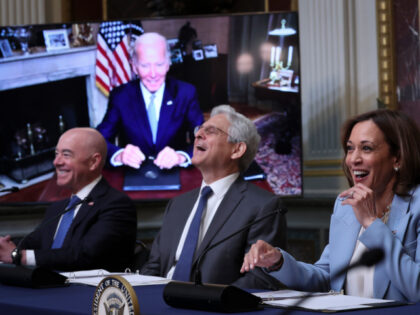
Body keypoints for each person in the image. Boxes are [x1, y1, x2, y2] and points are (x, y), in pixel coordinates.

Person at [241, 109, 420, 302]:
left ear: (398, 158)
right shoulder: (345, 205)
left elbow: (417, 289)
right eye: (350, 148)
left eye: (366, 148)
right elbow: (326, 279)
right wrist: (278, 262)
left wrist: (370, 222)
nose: (353, 159)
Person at [141, 105, 287, 289]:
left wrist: (205, 301)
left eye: (210, 131)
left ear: (237, 150)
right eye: (198, 130)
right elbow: (154, 266)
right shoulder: (178, 204)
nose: (198, 135)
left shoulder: (263, 206)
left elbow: (259, 279)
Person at [0, 128, 137, 271]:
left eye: (66, 155)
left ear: (93, 162)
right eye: (56, 154)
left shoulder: (117, 204)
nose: (56, 162)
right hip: (45, 290)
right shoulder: (57, 208)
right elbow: (29, 243)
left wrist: (18, 256)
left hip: (92, 292)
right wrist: (5, 246)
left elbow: (86, 255)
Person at [97, 32, 204, 170]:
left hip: (176, 174)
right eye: (145, 65)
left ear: (168, 64)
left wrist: (181, 157)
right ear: (134, 67)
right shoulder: (120, 96)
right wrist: (119, 155)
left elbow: (204, 140)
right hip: (133, 176)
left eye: (159, 64)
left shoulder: (186, 93)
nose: (153, 74)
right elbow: (98, 141)